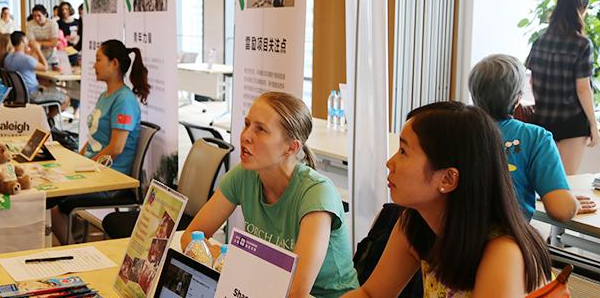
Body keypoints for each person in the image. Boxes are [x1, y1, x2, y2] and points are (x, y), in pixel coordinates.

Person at [345, 102, 551, 298]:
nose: (390, 163)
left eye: (404, 152)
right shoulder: (415, 222)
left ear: (448, 178)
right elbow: (372, 294)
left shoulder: (503, 252)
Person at [181, 92, 358, 298]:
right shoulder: (244, 175)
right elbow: (191, 239)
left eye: (261, 130)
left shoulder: (317, 193)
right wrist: (233, 263)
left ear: (291, 147)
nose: (245, 135)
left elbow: (296, 292)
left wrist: (234, 265)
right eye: (247, 124)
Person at [468, 54, 595, 221]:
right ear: (517, 98)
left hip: (454, 238)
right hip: (506, 239)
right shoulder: (536, 138)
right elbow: (562, 210)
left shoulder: (453, 131)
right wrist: (571, 203)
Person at [50, 39, 148, 243]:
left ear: (114, 63)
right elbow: (94, 139)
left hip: (109, 178)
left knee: (54, 201)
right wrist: (76, 161)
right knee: (51, 188)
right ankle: (72, 244)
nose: (94, 65)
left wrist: (85, 165)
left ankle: (71, 250)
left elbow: (116, 147)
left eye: (98, 60)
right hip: (92, 169)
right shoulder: (106, 95)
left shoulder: (124, 100)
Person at [525, 0, 598, 175]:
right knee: (567, 179)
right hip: (572, 120)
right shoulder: (582, 44)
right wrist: (593, 124)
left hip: (542, 118)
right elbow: (583, 88)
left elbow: (533, 81)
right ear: (581, 9)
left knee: (542, 178)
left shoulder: (540, 41)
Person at [3, 31, 68, 106]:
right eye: (26, 39)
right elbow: (45, 67)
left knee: (47, 87)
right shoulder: (26, 59)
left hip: (18, 95)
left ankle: (45, 116)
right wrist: (38, 49)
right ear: (23, 40)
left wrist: (32, 50)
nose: (28, 41)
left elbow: (28, 61)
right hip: (33, 94)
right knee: (66, 99)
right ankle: (48, 117)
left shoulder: (7, 58)